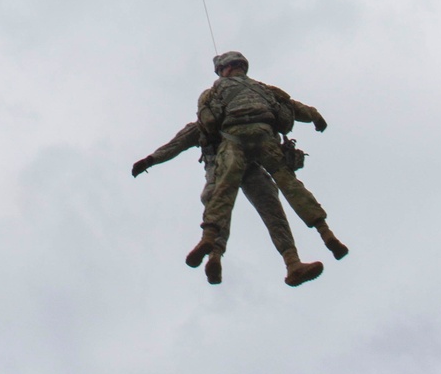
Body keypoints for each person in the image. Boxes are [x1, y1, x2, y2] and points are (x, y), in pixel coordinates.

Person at [187, 50, 348, 285]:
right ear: (241, 66)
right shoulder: (263, 88)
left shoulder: (212, 93)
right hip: (265, 138)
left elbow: (203, 126)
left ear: (224, 69)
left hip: (233, 142)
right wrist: (315, 116)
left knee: (223, 191)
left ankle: (209, 238)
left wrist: (150, 160)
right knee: (290, 187)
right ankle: (326, 236)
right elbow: (292, 107)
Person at [132, 116, 325, 288]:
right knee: (269, 211)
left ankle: (216, 256)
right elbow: (176, 144)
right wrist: (151, 160)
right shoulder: (237, 120)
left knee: (220, 208)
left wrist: (150, 160)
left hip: (225, 168)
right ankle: (291, 262)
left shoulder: (208, 122)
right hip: (244, 168)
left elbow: (176, 145)